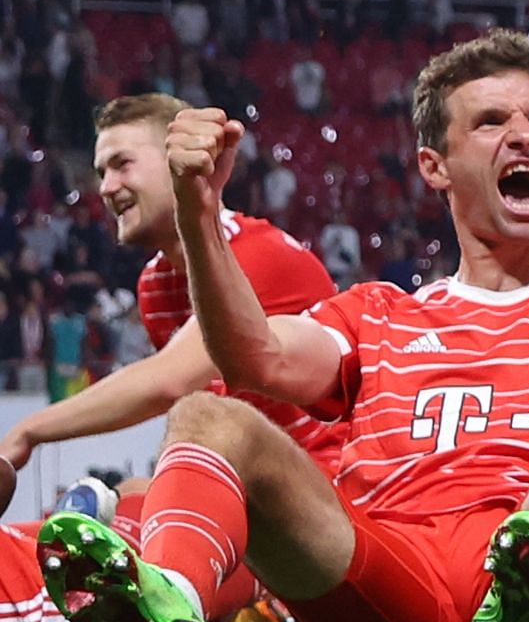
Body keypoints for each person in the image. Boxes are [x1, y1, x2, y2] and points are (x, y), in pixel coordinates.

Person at [37, 31, 529, 622]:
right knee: (205, 414)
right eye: (491, 122)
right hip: (391, 582)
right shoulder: (378, 312)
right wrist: (199, 215)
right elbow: (253, 356)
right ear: (434, 165)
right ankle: (171, 602)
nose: (524, 137)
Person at [1, 94, 339, 473]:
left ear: (175, 162)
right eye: (101, 173)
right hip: (254, 487)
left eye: (122, 165)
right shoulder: (154, 285)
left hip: (334, 488)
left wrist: (28, 431)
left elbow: (169, 380)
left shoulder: (259, 253)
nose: (108, 188)